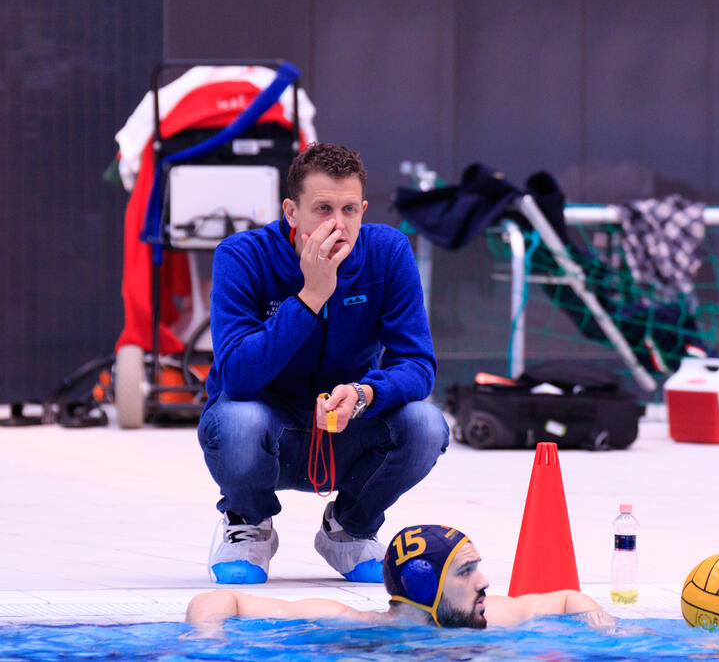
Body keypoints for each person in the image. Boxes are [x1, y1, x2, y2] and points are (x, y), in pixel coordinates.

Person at [198, 143, 449, 586]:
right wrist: (312, 294)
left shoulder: (387, 253)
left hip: (344, 428)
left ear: (364, 209)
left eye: (350, 209)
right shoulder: (242, 256)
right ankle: (248, 525)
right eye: (323, 209)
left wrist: (367, 393)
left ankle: (350, 529)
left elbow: (418, 364)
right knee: (236, 420)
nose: (338, 223)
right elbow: (235, 376)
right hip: (266, 431)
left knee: (426, 424)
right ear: (291, 212)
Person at [186, 524, 611, 630]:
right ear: (425, 584)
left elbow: (569, 598)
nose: (484, 581)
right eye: (466, 571)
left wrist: (607, 629)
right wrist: (208, 638)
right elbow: (217, 602)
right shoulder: (346, 622)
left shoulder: (494, 615)